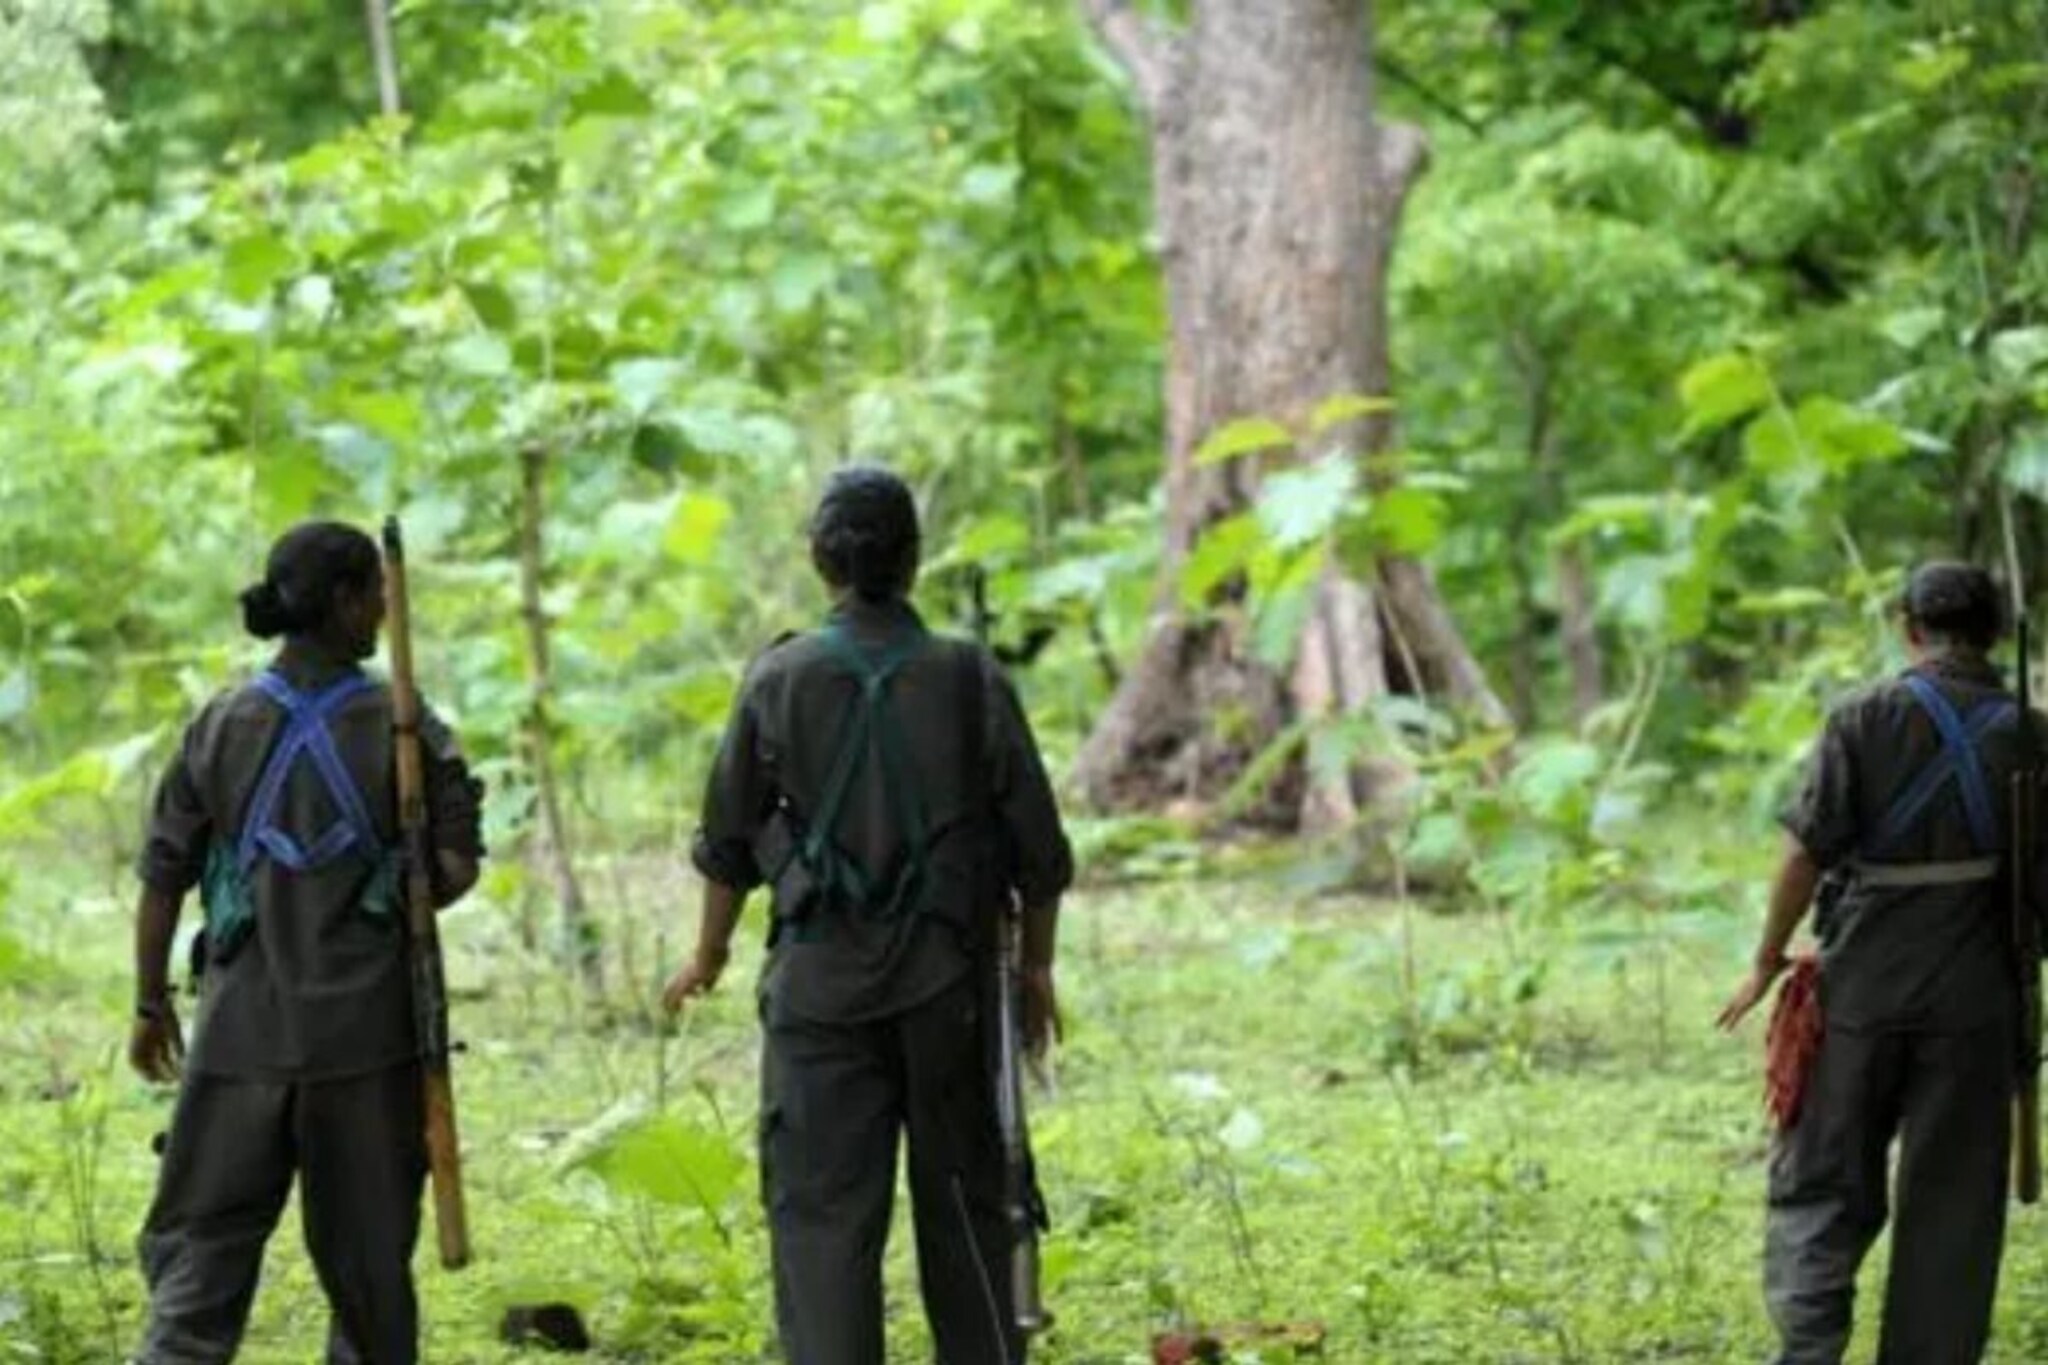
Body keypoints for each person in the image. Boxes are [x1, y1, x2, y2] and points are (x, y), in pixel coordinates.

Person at [664, 465, 1073, 1365]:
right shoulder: (970, 675)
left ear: (821, 561)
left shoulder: (778, 676)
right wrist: (1035, 972)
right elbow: (1040, 851)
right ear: (915, 560)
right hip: (953, 991)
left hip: (819, 997)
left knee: (818, 1221)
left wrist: (709, 954)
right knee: (972, 1208)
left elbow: (727, 839)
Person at [129, 520, 485, 1365]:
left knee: (199, 1261)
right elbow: (456, 869)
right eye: (377, 598)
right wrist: (406, 866)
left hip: (236, 1037)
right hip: (364, 1045)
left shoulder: (218, 723)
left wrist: (150, 1004)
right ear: (342, 601)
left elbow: (161, 875)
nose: (384, 615)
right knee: (368, 1278)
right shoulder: (403, 724)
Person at [1717, 561, 2033, 1365]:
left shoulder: (1861, 717)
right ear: (1993, 634)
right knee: (1955, 1201)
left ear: (1908, 626)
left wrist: (1765, 960)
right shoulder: (2033, 733)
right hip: (1978, 996)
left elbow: (1802, 854)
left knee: (1823, 1176)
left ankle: (1810, 1350)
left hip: (1862, 986)